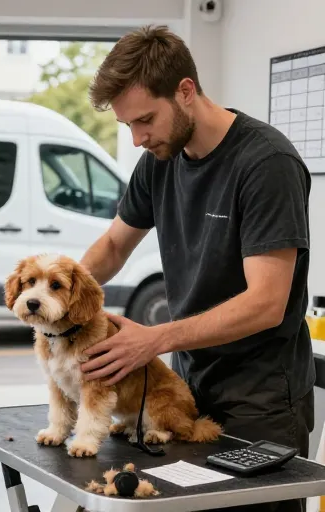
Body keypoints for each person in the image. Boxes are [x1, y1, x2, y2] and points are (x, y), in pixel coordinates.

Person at [77, 25, 314, 512]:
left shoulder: (265, 163)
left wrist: (155, 338)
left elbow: (267, 303)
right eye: (128, 127)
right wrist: (59, 300)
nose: (139, 138)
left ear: (186, 91)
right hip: (186, 393)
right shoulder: (159, 159)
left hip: (259, 404)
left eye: (145, 120)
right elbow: (113, 246)